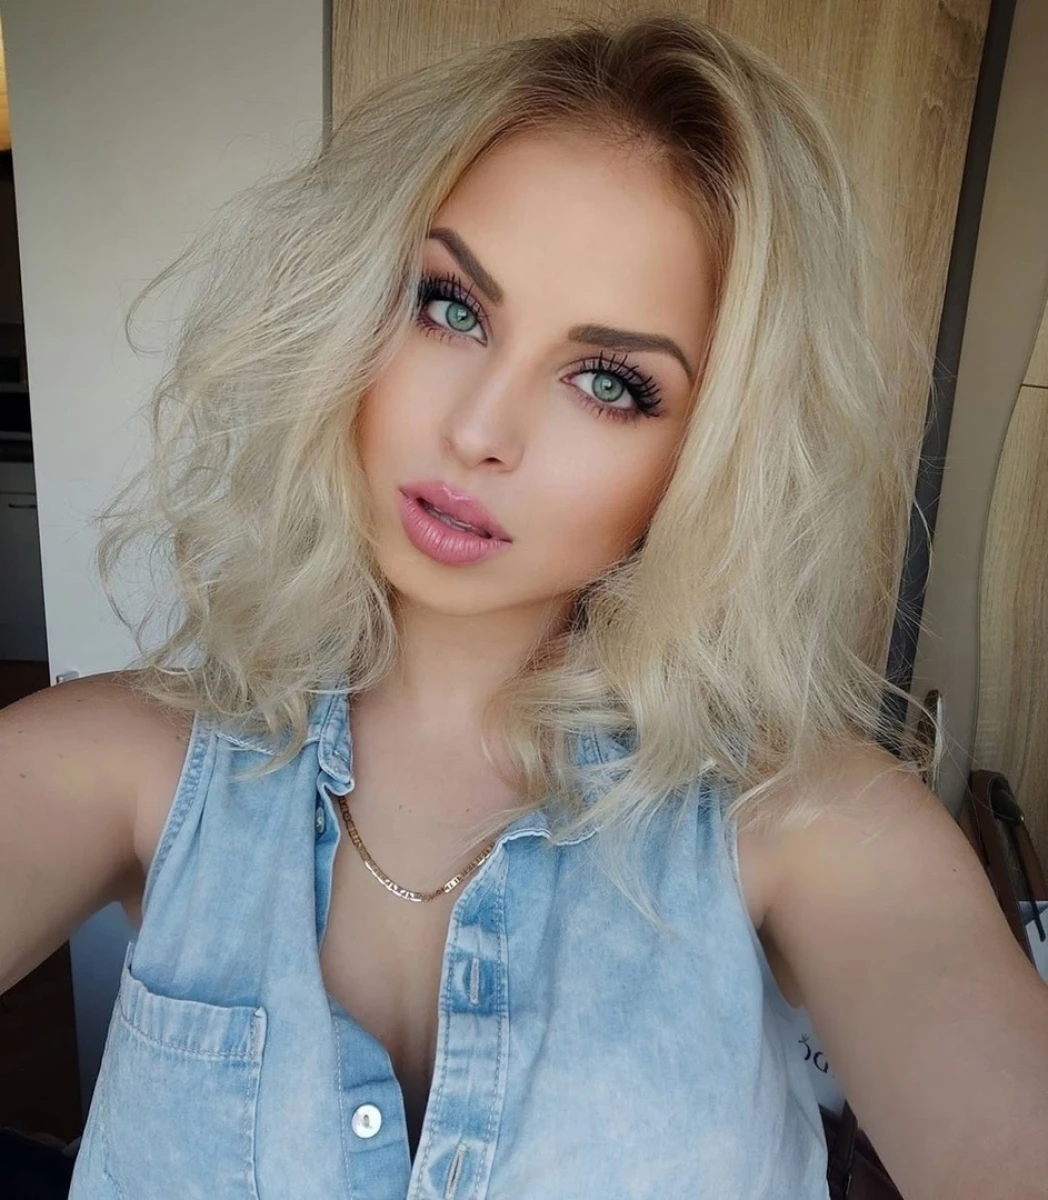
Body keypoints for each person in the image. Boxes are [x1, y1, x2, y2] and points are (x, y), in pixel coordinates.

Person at [2, 13, 1046, 1200]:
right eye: (450, 306)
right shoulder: (133, 762)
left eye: (609, 382)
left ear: (710, 458)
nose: (478, 431)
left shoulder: (807, 824)